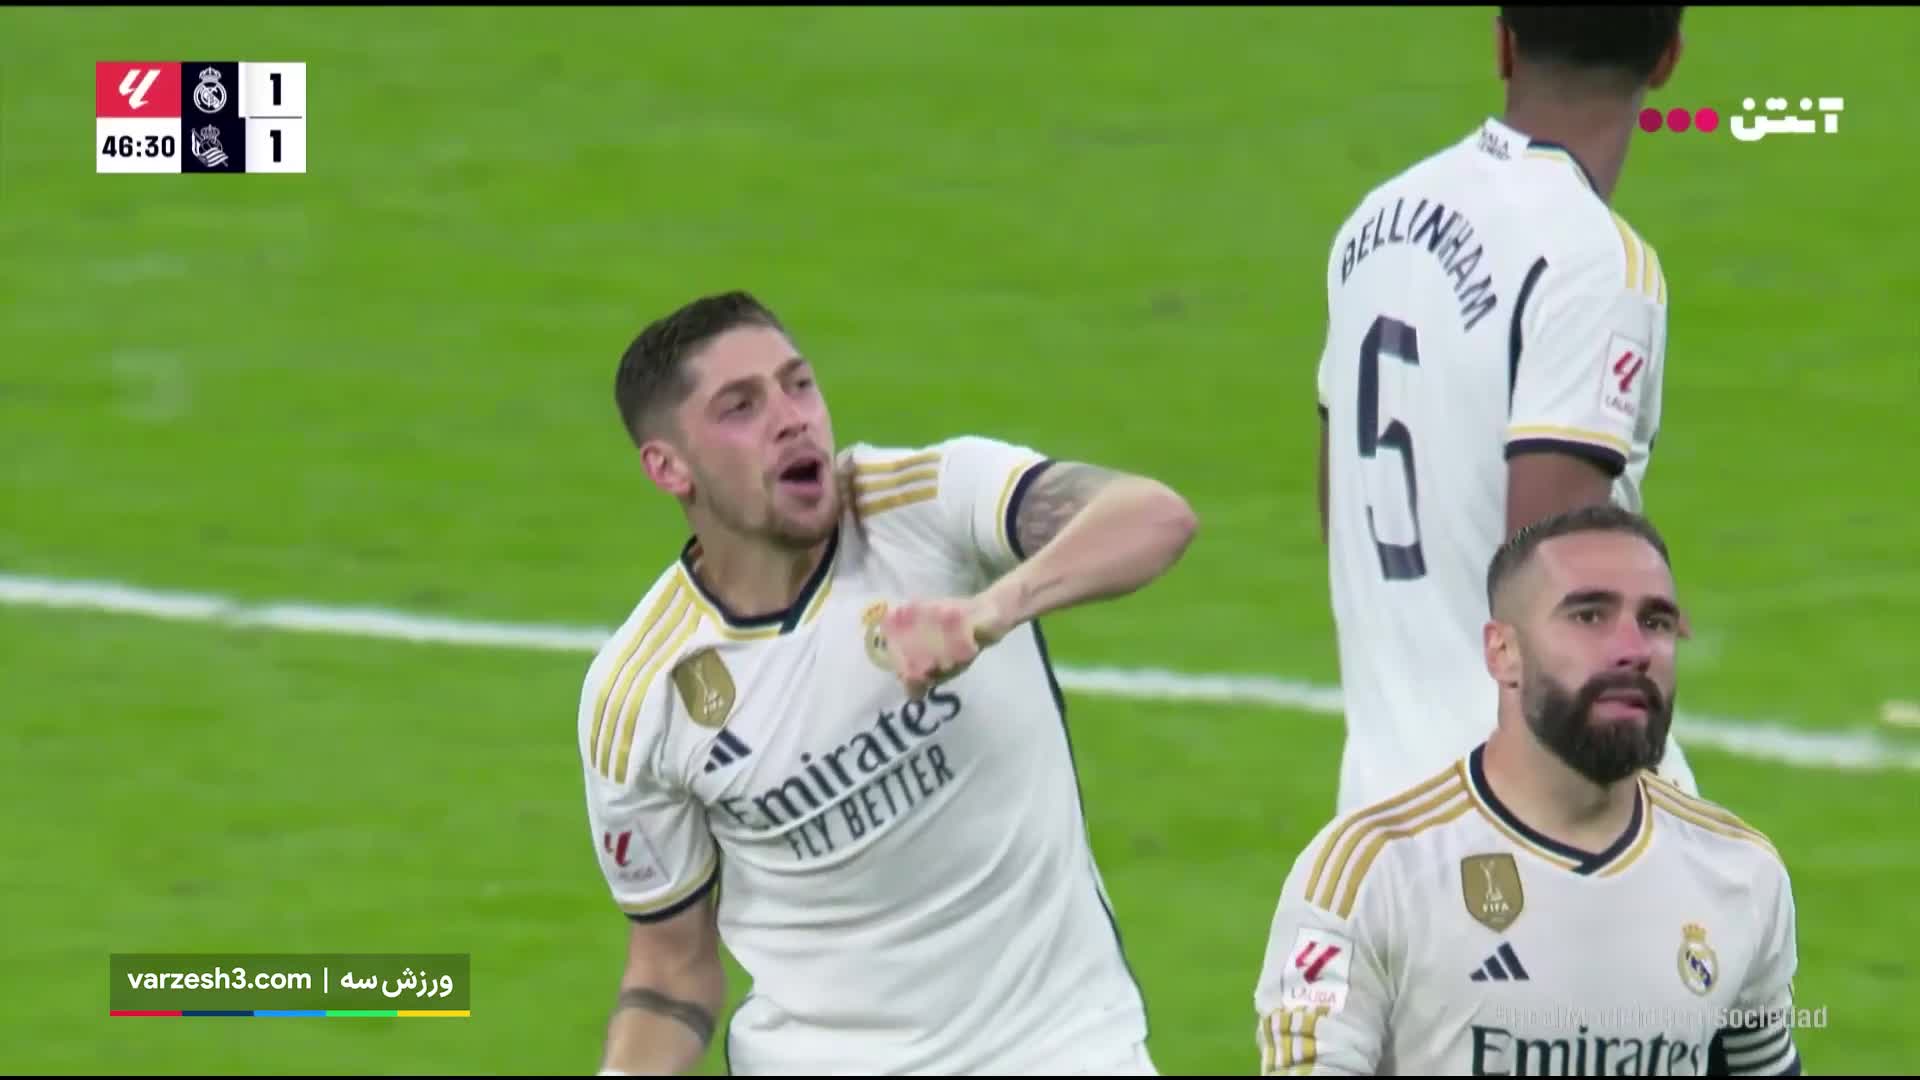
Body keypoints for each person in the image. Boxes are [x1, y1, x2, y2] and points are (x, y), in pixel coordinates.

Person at [578, 290, 1198, 1076]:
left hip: (1065, 1051)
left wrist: (988, 612)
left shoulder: (927, 505)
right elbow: (671, 972)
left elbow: (1153, 516)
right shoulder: (641, 695)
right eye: (741, 407)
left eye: (799, 385)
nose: (792, 420)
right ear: (668, 467)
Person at [1253, 505, 1802, 1077]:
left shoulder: (1740, 872)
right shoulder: (1374, 875)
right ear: (1503, 653)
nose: (1633, 649)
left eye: (1656, 622)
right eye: (1589, 616)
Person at [1311, 6, 1699, 814]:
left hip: (1382, 810)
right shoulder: (1596, 263)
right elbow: (1558, 571)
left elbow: (1337, 506)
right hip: (1532, 817)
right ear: (1667, 59)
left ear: (1503, 43)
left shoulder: (1373, 225)